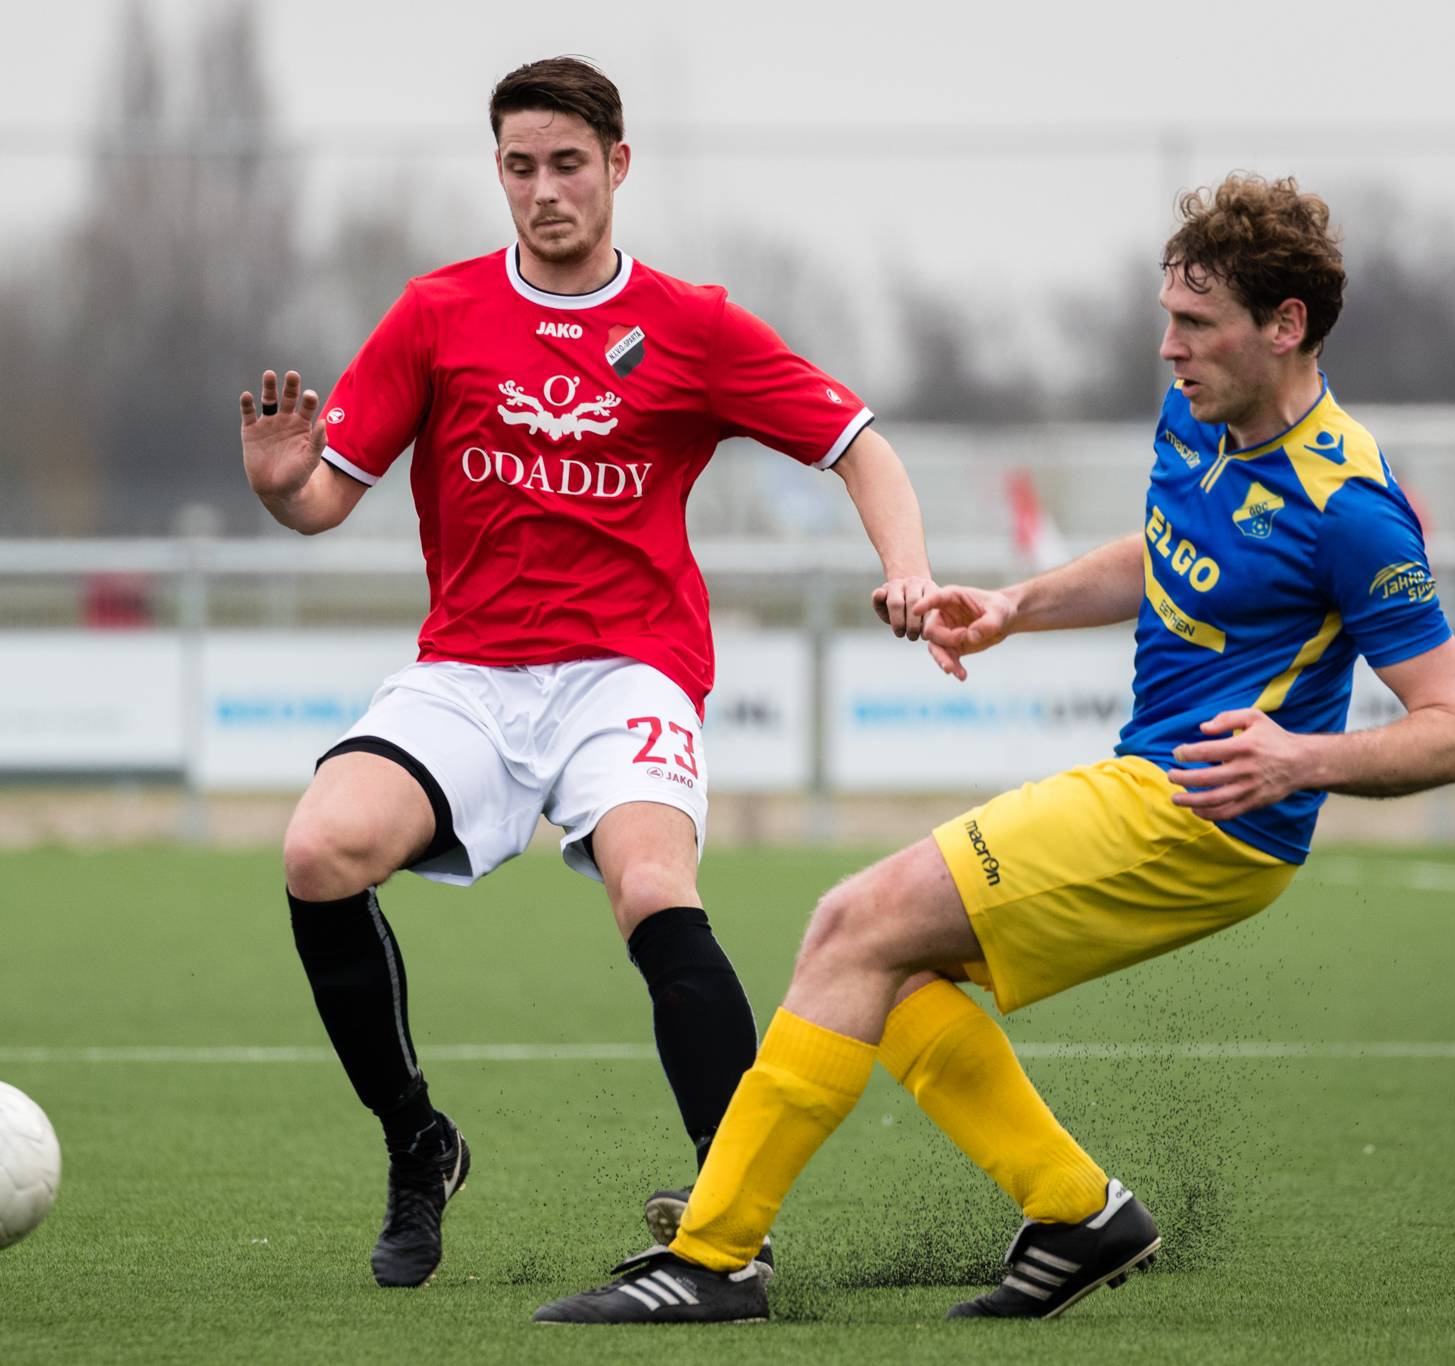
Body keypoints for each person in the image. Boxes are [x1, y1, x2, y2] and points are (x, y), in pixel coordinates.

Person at [534, 174, 1455, 1325]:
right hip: (1151, 781)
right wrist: (1014, 607)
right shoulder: (1196, 418)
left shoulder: (1351, 506)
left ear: (1284, 325)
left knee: (849, 923)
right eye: (1167, 317)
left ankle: (714, 1255)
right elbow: (1159, 553)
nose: (1167, 347)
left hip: (1205, 816)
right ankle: (1075, 1211)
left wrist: (1300, 758)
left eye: (1195, 324)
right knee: (891, 969)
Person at [238, 57, 938, 1289]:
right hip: (470, 672)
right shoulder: (437, 313)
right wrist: (278, 488)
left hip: (628, 672)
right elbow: (323, 502)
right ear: (497, 172)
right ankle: (418, 1142)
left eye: (567, 164)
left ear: (617, 164)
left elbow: (856, 443)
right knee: (316, 852)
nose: (543, 190)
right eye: (520, 167)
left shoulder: (690, 324)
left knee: (652, 884)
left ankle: (730, 1211)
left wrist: (908, 570)